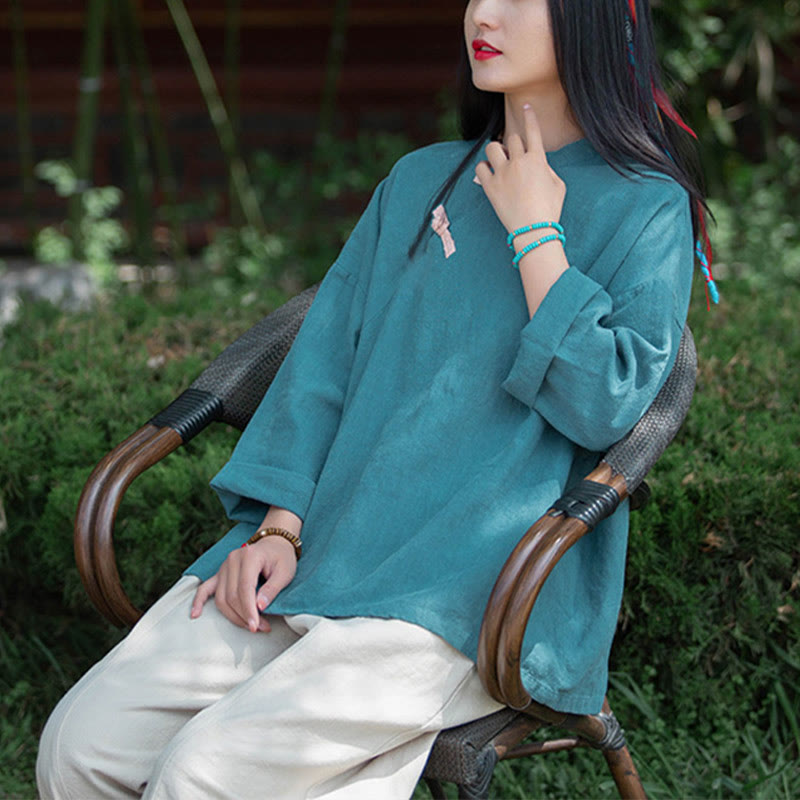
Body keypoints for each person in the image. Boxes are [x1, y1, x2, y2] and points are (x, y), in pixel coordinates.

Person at [37, 1, 715, 797]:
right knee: (78, 748)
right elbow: (325, 362)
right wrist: (280, 525)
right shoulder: (420, 182)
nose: (483, 14)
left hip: (468, 593)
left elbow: (608, 407)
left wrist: (537, 235)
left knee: (204, 774)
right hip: (319, 551)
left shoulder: (647, 206)